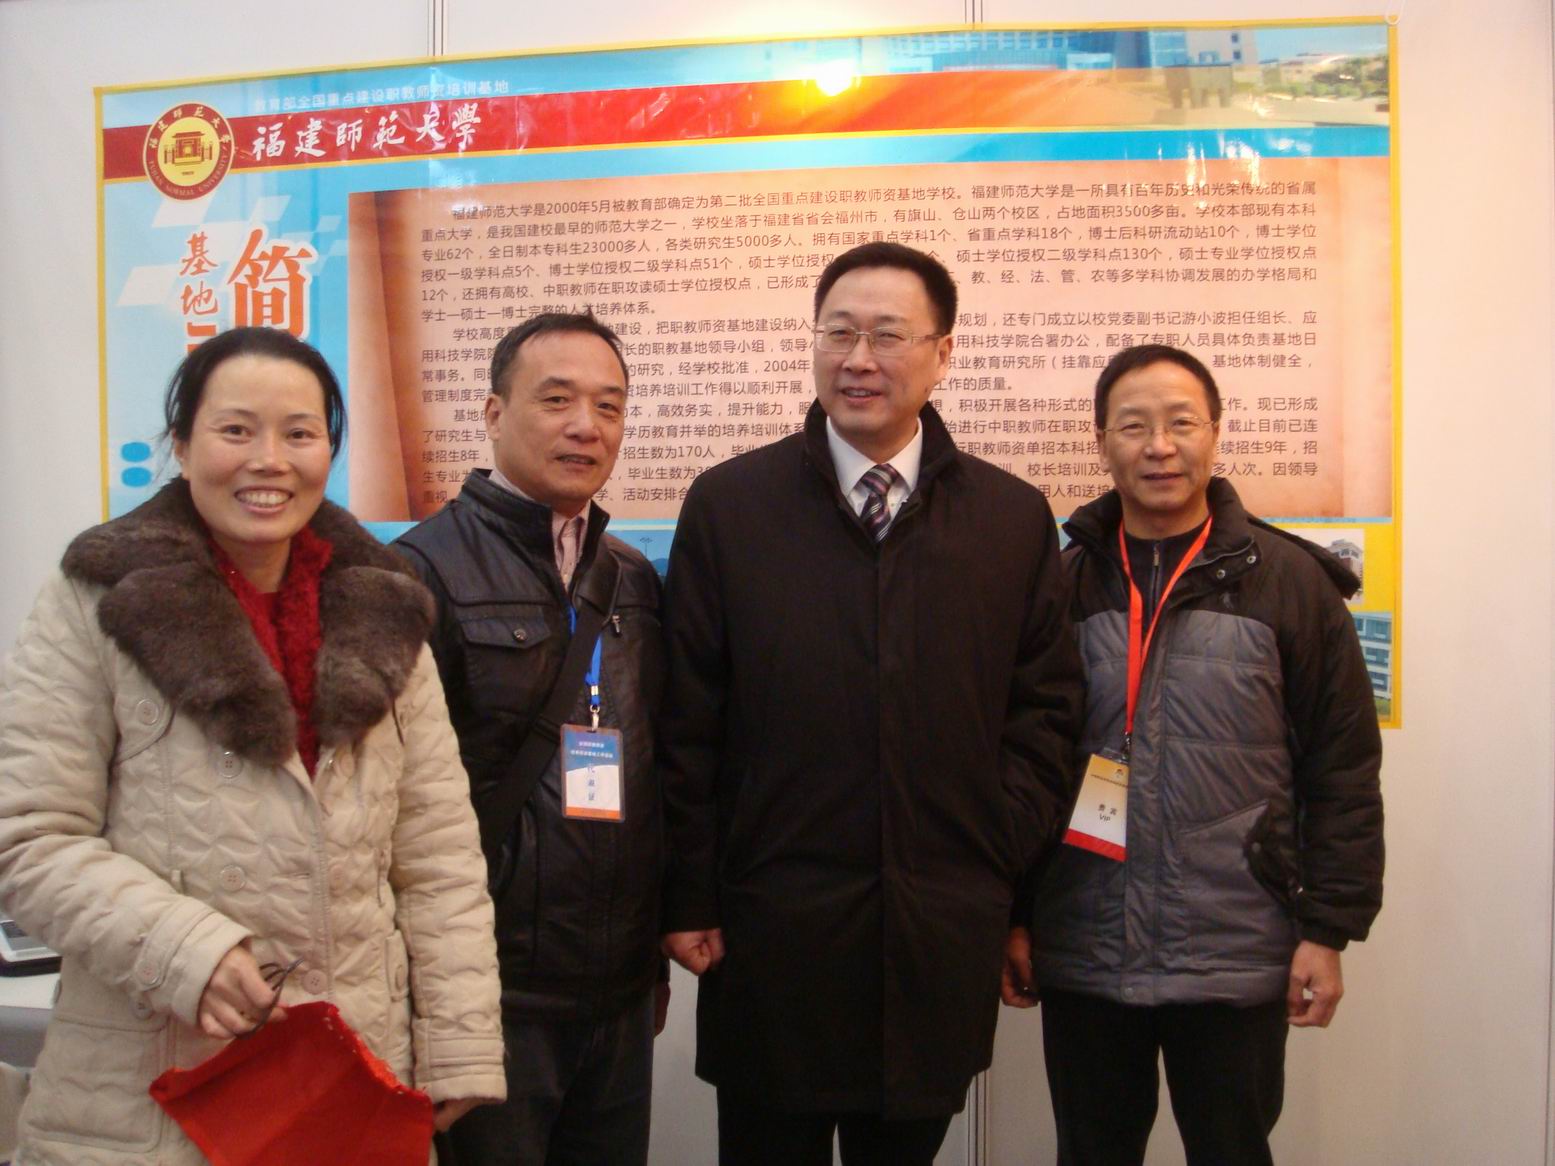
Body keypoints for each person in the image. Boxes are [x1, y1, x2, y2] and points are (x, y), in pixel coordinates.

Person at [0, 327, 505, 1164]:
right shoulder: (95, 599)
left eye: (299, 433)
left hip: (348, 1072)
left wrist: (459, 1040)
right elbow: (30, 836)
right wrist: (184, 951)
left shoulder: (385, 604)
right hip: (156, 1084)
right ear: (181, 443)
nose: (269, 460)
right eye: (236, 430)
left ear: (329, 450)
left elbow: (438, 856)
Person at [658, 241, 1085, 1165]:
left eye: (888, 336)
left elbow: (1045, 714)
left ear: (942, 353)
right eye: (838, 333)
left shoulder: (1009, 518)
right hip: (775, 929)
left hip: (937, 929)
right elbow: (687, 717)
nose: (859, 360)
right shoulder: (731, 505)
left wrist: (992, 849)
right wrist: (690, 891)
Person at [1009, 343, 1385, 1166]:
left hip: (1235, 948)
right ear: (1100, 442)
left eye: (1181, 423)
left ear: (1215, 433)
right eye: (1132, 426)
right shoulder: (1061, 585)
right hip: (1085, 943)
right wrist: (1015, 915)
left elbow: (1342, 769)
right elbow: (1022, 765)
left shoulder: (1289, 583)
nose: (1159, 446)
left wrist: (1327, 928)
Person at [394, 311, 666, 1165]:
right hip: (492, 994)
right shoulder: (418, 572)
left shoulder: (630, 578)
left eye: (608, 406)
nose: (586, 425)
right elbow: (393, 806)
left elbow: (654, 767)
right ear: (492, 412)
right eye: (556, 399)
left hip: (617, 988)